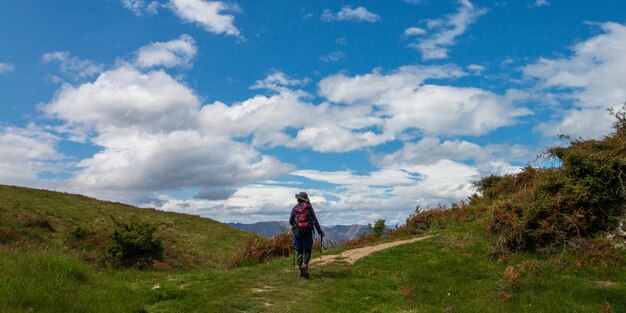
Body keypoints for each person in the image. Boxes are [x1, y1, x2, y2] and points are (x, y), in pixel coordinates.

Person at [289, 191, 324, 279]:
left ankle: (300, 269)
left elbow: (290, 221)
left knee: (300, 250)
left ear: (298, 199)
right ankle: (305, 265)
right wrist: (320, 232)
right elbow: (315, 220)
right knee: (308, 249)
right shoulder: (309, 208)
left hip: (297, 232)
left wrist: (295, 224)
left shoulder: (295, 208)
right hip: (307, 231)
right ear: (306, 199)